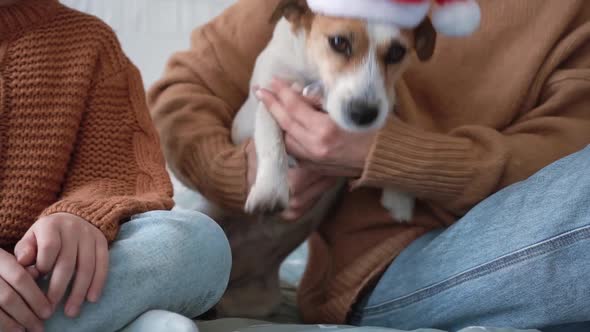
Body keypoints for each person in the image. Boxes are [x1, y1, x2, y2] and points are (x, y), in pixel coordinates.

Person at [148, 0, 590, 331]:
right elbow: (180, 92)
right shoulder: (309, 14)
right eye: (341, 45)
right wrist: (240, 173)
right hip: (380, 262)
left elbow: (567, 152)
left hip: (512, 222)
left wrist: (394, 155)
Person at [0, 0, 231, 331]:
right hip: (55, 296)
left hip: (56, 274)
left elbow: (119, 171)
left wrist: (82, 213)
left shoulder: (89, 44)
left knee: (202, 241)